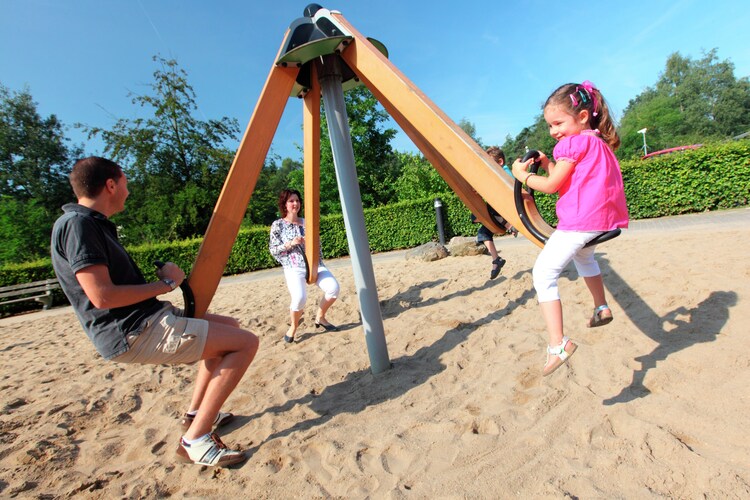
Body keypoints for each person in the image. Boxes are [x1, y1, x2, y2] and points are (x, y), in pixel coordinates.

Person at [50, 156, 259, 467]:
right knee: (246, 343)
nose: (128, 190)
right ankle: (196, 441)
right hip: (134, 331)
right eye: (125, 183)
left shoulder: (87, 224)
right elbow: (102, 296)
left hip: (144, 320)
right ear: (110, 185)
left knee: (230, 327)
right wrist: (165, 284)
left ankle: (196, 414)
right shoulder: (79, 226)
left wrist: (163, 287)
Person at [511, 81, 629, 376]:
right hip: (601, 220)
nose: (554, 132)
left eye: (558, 123)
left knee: (543, 274)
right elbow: (568, 180)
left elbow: (551, 187)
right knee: (585, 258)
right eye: (550, 126)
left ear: (583, 116)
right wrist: (549, 163)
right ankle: (601, 307)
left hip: (580, 221)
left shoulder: (572, 144)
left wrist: (521, 176)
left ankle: (558, 344)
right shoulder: (596, 142)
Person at [269, 188, 340, 343]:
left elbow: (319, 245)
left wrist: (312, 244)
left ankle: (320, 317)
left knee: (333, 288)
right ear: (285, 205)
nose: (295, 204)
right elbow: (273, 250)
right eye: (291, 201)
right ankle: (294, 327)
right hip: (293, 267)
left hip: (315, 263)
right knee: (300, 298)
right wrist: (290, 244)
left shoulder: (307, 222)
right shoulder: (278, 225)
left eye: (297, 200)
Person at [471, 146, 516, 280]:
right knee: (482, 232)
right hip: (498, 215)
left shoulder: (506, 173)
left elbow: (507, 191)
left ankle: (510, 226)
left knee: (491, 207)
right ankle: (496, 260)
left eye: (490, 164)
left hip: (507, 212)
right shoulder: (495, 175)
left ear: (500, 162)